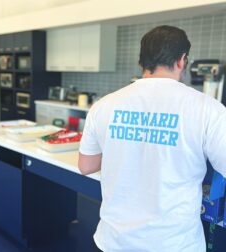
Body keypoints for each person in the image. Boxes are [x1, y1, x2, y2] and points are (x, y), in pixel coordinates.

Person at [78, 25, 226, 252]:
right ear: (182, 60)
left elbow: (86, 166)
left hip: (114, 241)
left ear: (142, 63)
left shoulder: (104, 105)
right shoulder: (209, 109)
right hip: (174, 244)